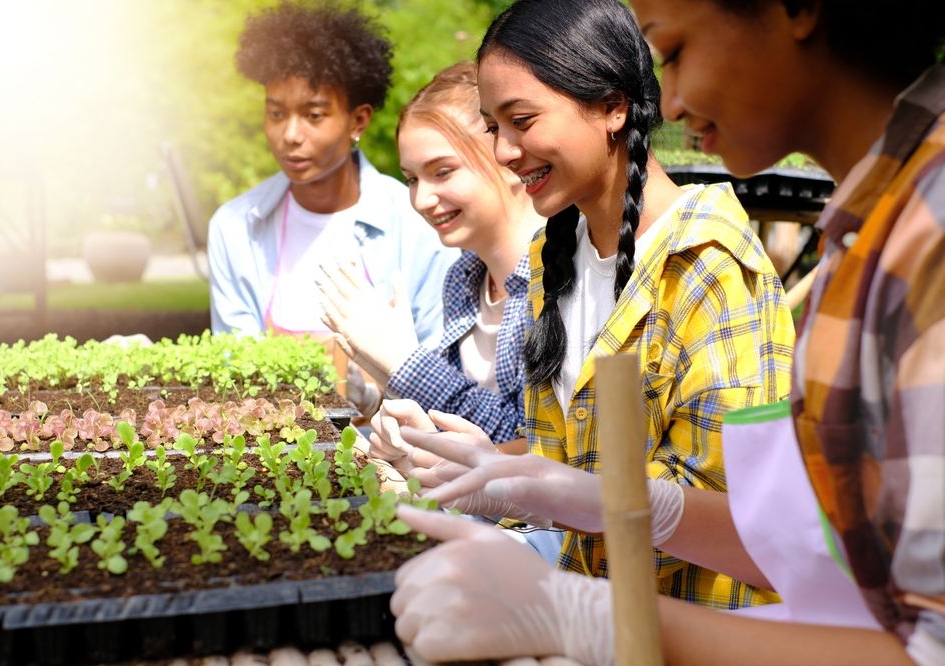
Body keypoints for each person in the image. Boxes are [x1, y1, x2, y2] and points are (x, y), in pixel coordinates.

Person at [390, 0, 945, 664]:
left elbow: (910, 632)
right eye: (493, 127)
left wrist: (587, 613)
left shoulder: (906, 239)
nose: (671, 101)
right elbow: (808, 534)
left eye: (674, 53)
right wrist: (507, 472)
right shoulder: (863, 237)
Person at [375, 0, 794, 608]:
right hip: (595, 613)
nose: (505, 153)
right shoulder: (554, 255)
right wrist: (481, 462)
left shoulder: (707, 264)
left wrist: (540, 489)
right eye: (494, 128)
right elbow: (571, 460)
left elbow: (739, 517)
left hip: (696, 627)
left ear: (612, 107)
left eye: (522, 120)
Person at [206, 1, 457, 350]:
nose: (291, 134)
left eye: (314, 115)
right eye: (277, 113)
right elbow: (236, 364)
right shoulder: (235, 228)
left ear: (358, 121)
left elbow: (437, 357)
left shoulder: (418, 221)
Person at [317, 62, 544, 441]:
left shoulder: (559, 276)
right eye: (411, 179)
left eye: (442, 172)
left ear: (507, 157)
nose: (421, 198)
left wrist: (403, 363)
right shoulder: (463, 279)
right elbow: (453, 421)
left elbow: (526, 439)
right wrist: (382, 389)